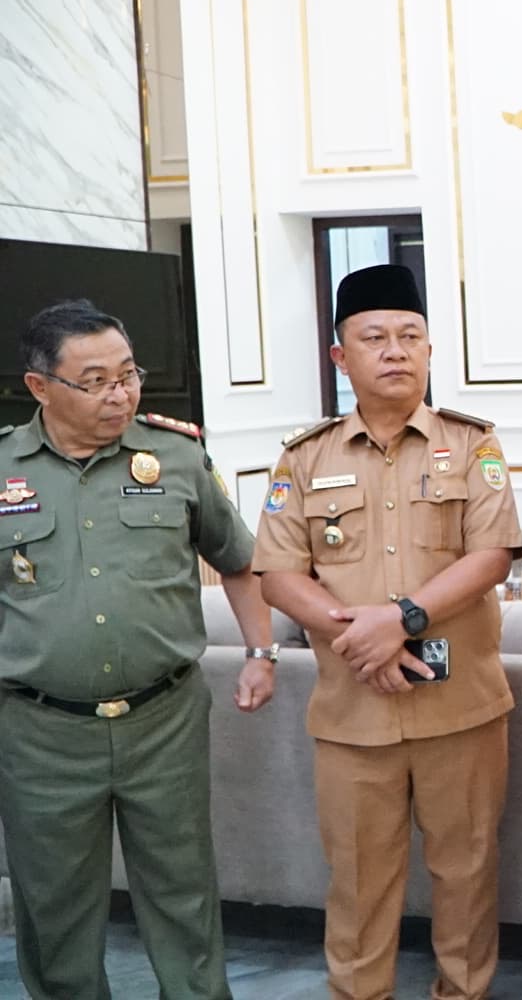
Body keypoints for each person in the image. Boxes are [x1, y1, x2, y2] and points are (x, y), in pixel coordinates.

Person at [254, 265, 522, 1000]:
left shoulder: (473, 445)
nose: (396, 351)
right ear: (341, 356)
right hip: (353, 713)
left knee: (467, 873)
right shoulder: (304, 457)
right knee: (358, 879)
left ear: (431, 350)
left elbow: (492, 556)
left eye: (410, 336)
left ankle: (462, 993)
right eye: (374, 337)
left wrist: (400, 621)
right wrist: (360, 638)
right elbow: (278, 573)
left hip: (461, 708)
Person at [0, 298, 275, 1000]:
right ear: (39, 387)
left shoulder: (175, 456)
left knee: (184, 896)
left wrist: (261, 653)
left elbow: (240, 560)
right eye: (95, 381)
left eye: (128, 375)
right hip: (39, 730)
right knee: (54, 909)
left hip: (164, 719)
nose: (119, 395)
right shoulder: (3, 469)